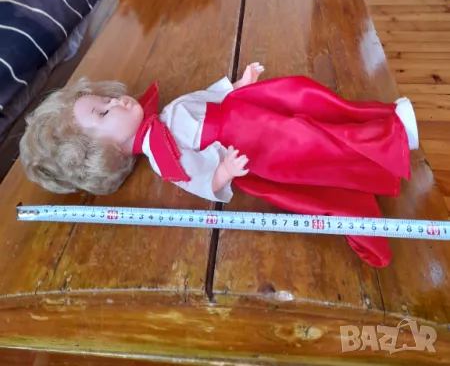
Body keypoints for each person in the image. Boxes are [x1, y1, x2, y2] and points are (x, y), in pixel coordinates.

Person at [19, 63, 419, 268]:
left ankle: (380, 120)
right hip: (250, 142)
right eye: (105, 112)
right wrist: (223, 172)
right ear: (106, 153)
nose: (117, 101)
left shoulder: (163, 117)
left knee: (303, 99)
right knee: (309, 141)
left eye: (105, 98)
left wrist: (237, 85)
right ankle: (389, 139)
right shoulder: (160, 153)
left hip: (245, 112)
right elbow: (198, 181)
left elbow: (200, 98)